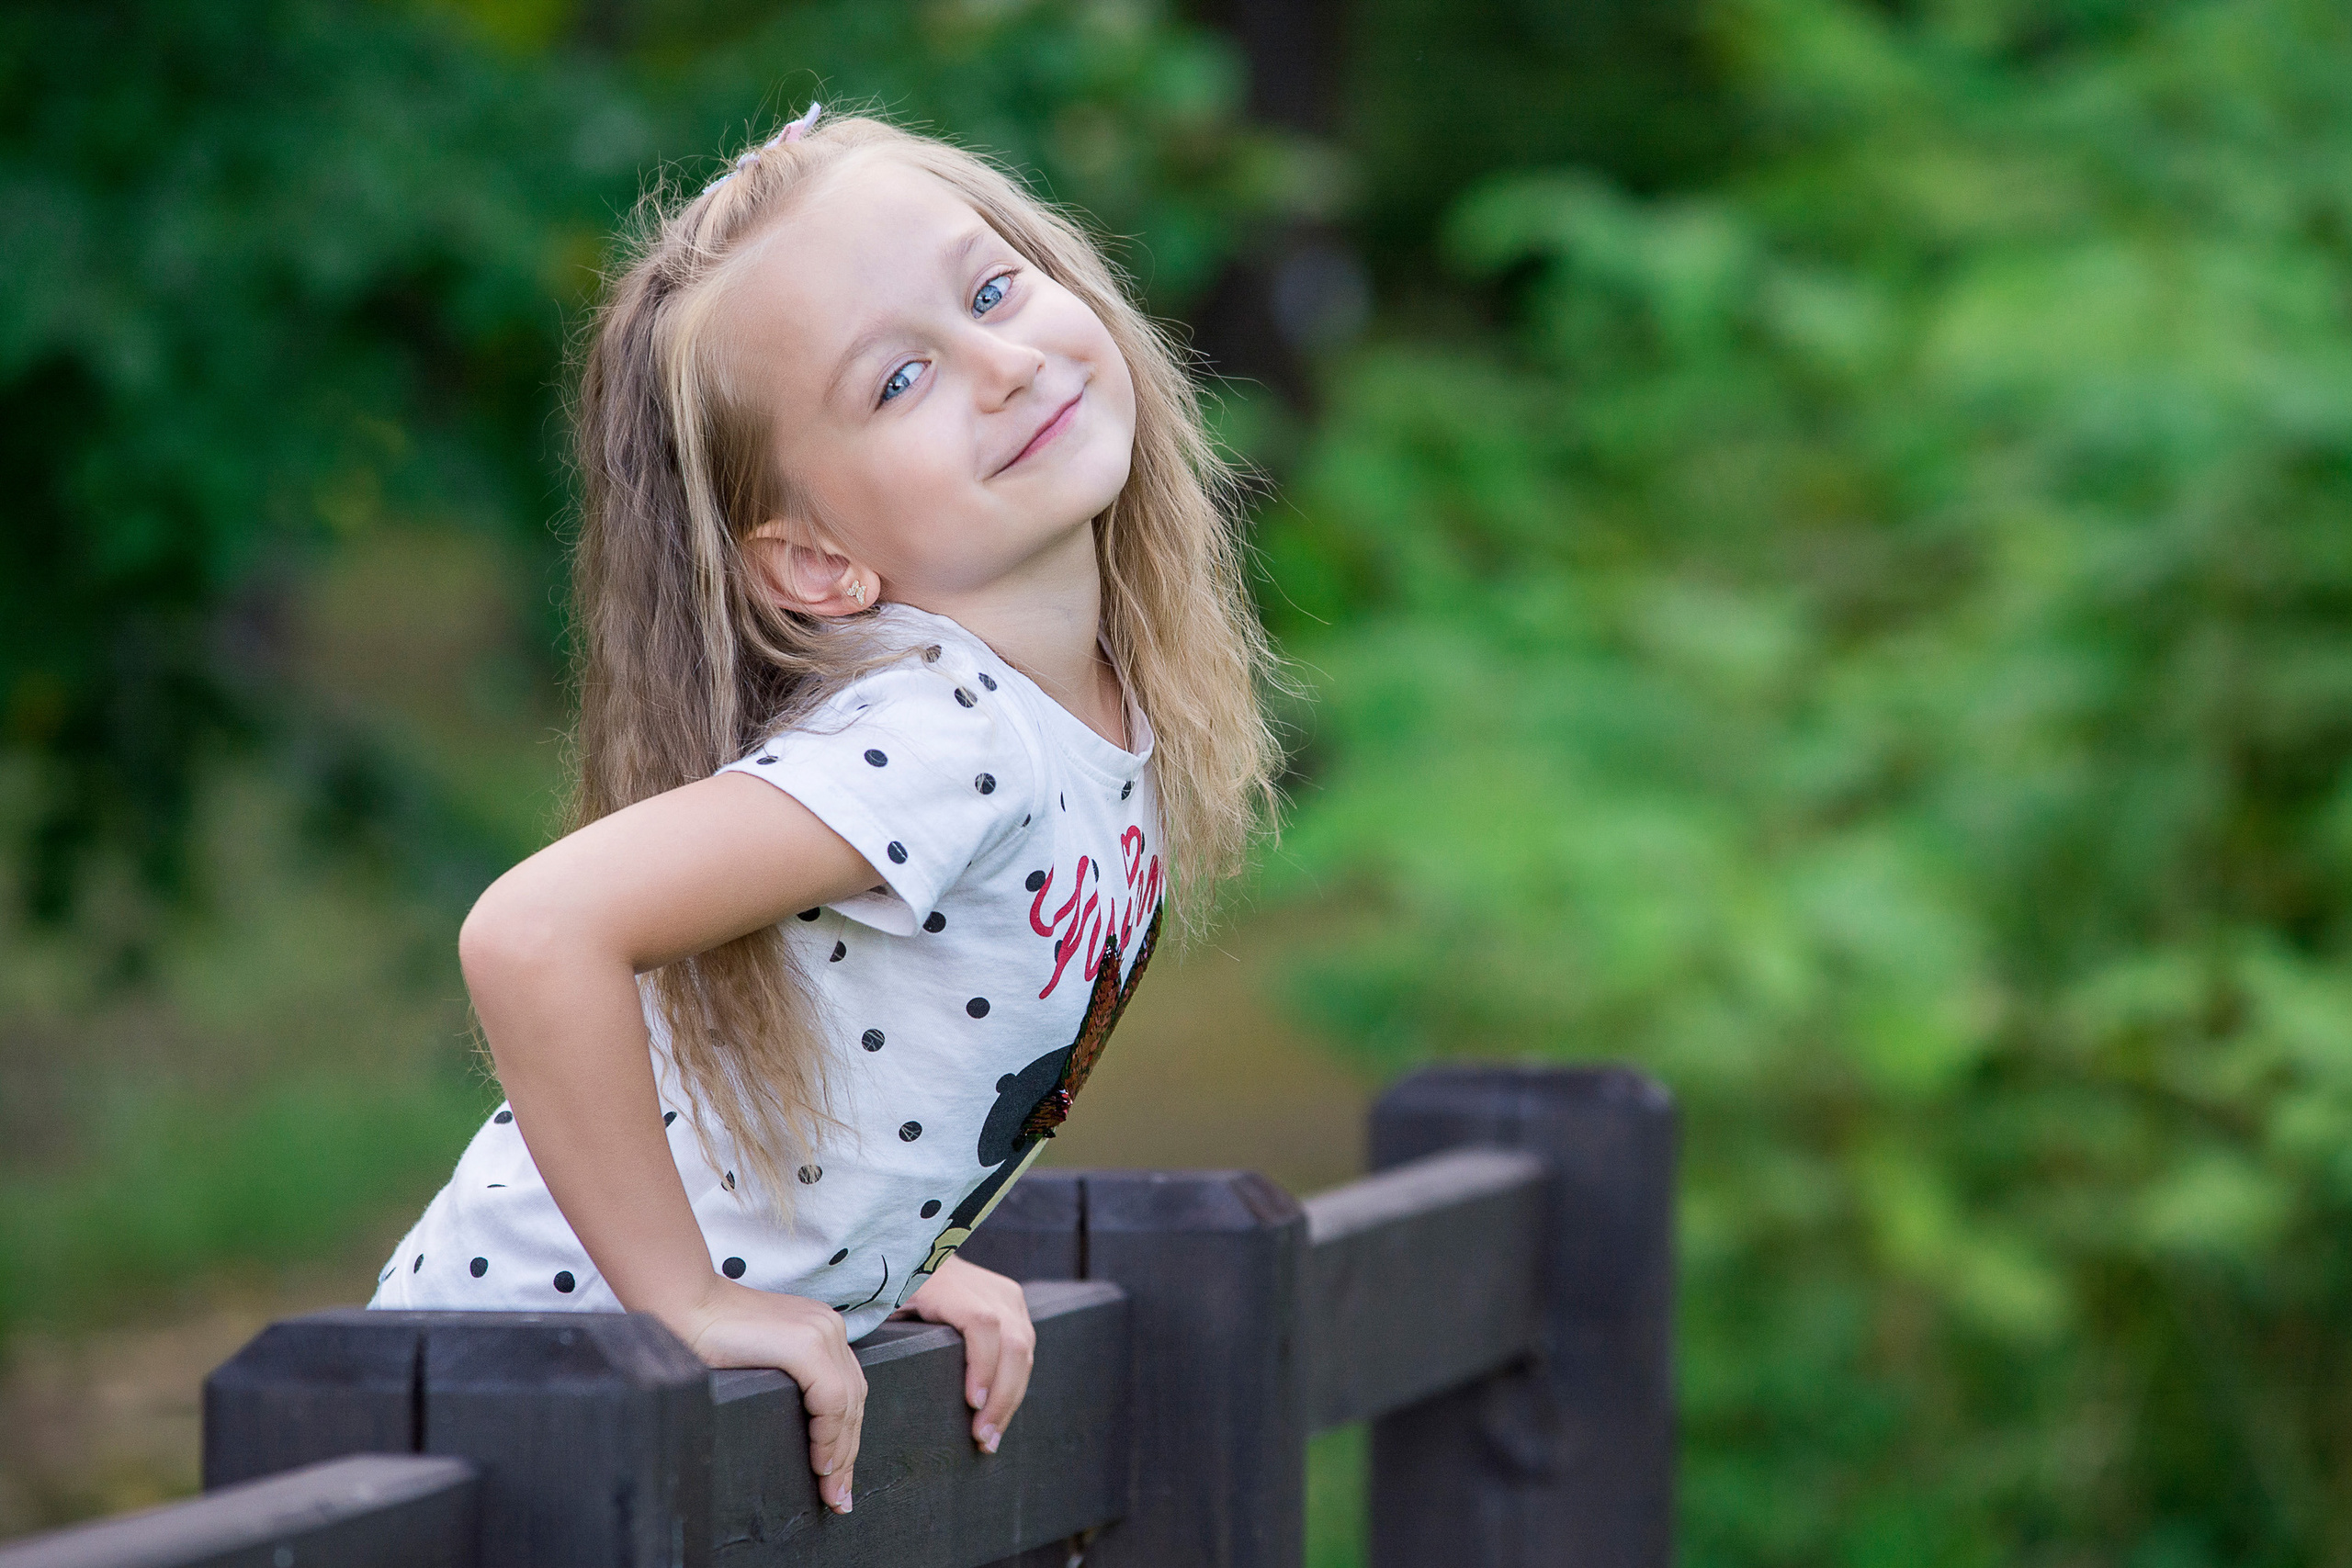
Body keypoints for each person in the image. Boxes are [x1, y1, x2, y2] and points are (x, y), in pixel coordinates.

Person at [363, 104, 1281, 1517]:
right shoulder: (940, 735)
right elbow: (535, 932)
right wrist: (683, 1303)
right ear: (815, 560)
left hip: (578, 1405)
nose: (1000, 361)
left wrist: (887, 1269)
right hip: (512, 1389)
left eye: (992, 289)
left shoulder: (1097, 706)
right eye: (901, 379)